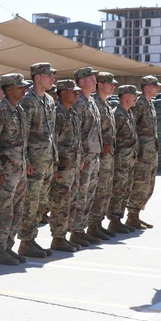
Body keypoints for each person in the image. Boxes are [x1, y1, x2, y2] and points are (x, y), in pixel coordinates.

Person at [17, 62, 58, 258]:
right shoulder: (27, 101)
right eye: (48, 75)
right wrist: (26, 160)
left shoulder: (49, 100)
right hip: (34, 162)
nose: (52, 78)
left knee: (42, 202)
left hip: (47, 160)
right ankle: (26, 241)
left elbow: (51, 132)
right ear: (37, 78)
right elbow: (22, 134)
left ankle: (31, 238)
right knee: (31, 203)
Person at [0, 74, 29, 265]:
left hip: (19, 170)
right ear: (9, 89)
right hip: (5, 171)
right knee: (2, 211)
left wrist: (26, 162)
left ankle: (8, 247)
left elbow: (23, 142)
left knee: (17, 210)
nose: (24, 89)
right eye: (19, 87)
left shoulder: (20, 110)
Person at [48, 79, 82, 252]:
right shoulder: (57, 114)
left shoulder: (73, 113)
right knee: (60, 203)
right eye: (73, 91)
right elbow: (52, 141)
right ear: (63, 93)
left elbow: (77, 140)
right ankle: (58, 237)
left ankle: (65, 235)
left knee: (71, 202)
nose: (77, 93)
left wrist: (80, 158)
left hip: (73, 166)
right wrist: (55, 167)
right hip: (63, 167)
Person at [71, 66, 103, 248]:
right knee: (80, 195)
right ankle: (75, 231)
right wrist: (81, 156)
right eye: (91, 79)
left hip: (94, 155)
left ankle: (81, 230)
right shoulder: (79, 103)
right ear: (81, 82)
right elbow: (76, 133)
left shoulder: (91, 102)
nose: (95, 82)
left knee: (89, 194)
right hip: (85, 157)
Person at [127, 75, 161, 229]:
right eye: (155, 86)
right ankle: (131, 216)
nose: (158, 88)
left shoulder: (150, 104)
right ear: (146, 87)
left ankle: (136, 215)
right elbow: (131, 128)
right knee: (140, 184)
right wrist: (135, 152)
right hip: (142, 153)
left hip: (151, 152)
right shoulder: (139, 104)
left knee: (149, 185)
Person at [87, 72, 118, 240]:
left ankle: (97, 223)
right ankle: (92, 225)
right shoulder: (96, 103)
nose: (113, 86)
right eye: (109, 83)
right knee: (97, 190)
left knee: (105, 190)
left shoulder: (105, 104)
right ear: (100, 85)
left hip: (108, 156)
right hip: (99, 155)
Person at [108, 85, 140, 234]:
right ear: (125, 96)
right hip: (120, 160)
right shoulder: (117, 115)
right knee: (118, 189)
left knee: (126, 189)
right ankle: (113, 220)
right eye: (134, 95)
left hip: (129, 160)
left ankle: (118, 219)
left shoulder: (129, 113)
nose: (136, 98)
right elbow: (112, 139)